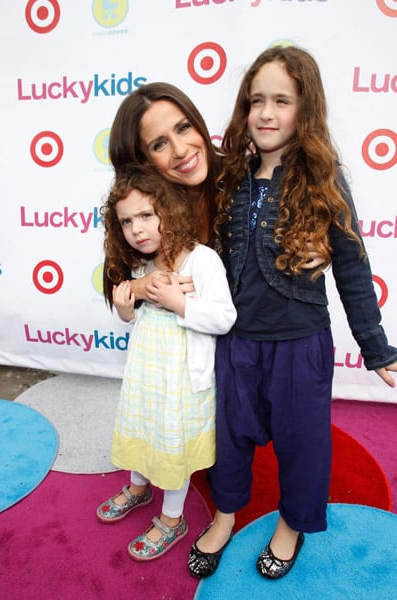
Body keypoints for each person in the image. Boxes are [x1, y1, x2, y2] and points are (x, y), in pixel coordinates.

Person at [187, 45, 397, 580]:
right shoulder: (229, 179)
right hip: (235, 342)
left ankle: (293, 523)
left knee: (302, 442)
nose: (266, 113)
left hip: (300, 344)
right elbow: (205, 248)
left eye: (282, 100)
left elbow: (352, 267)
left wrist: (377, 348)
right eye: (256, 100)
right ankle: (226, 513)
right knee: (228, 437)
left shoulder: (324, 181)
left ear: (305, 110)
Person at [96, 166, 237, 562]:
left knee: (172, 442)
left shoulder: (203, 260)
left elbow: (225, 318)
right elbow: (134, 318)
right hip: (146, 377)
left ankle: (172, 518)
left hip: (182, 382)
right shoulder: (140, 266)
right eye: (126, 221)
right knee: (143, 429)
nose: (137, 229)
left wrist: (179, 304)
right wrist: (126, 309)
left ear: (168, 213)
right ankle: (139, 488)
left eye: (146, 215)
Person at [103, 81, 324, 304]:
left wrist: (315, 243)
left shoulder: (245, 178)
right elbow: (114, 281)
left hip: (250, 332)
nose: (180, 150)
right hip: (185, 337)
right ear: (142, 161)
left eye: (183, 128)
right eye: (159, 145)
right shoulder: (143, 205)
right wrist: (140, 287)